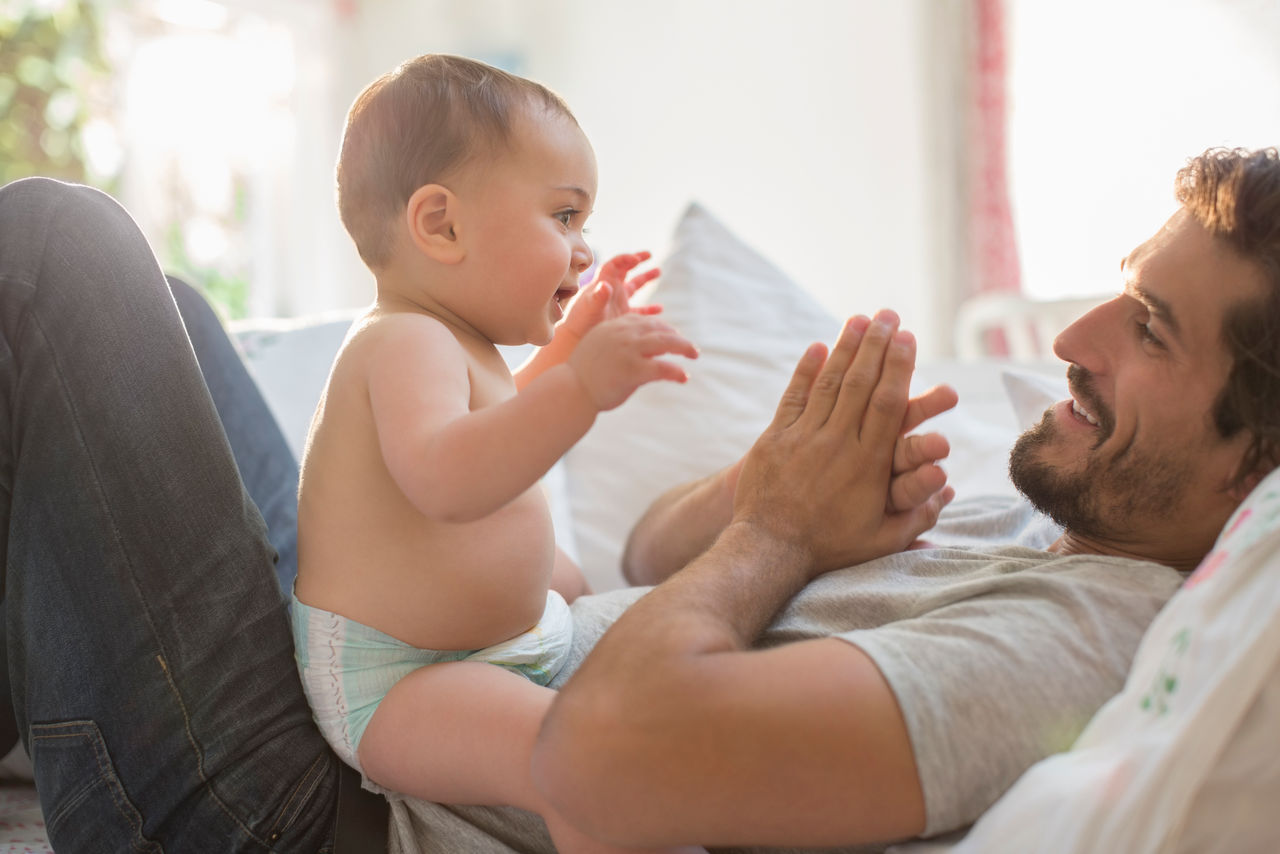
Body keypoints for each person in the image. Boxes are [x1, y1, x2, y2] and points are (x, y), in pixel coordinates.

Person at [0, 144, 1275, 853]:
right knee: (161, 314)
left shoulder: (1071, 650)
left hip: (336, 812)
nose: (1073, 336)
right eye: (1118, 287)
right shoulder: (1024, 515)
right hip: (392, 663)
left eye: (1149, 331)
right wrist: (771, 491)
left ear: (1247, 464)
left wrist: (779, 534)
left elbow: (600, 768)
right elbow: (649, 552)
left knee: (57, 258)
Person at [290, 54, 706, 853]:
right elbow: (450, 477)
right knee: (578, 760)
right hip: (404, 682)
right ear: (441, 225)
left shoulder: (459, 341)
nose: (582, 249)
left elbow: (507, 410)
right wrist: (580, 386)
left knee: (577, 588)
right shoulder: (400, 343)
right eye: (563, 217)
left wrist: (575, 338)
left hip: (491, 647)